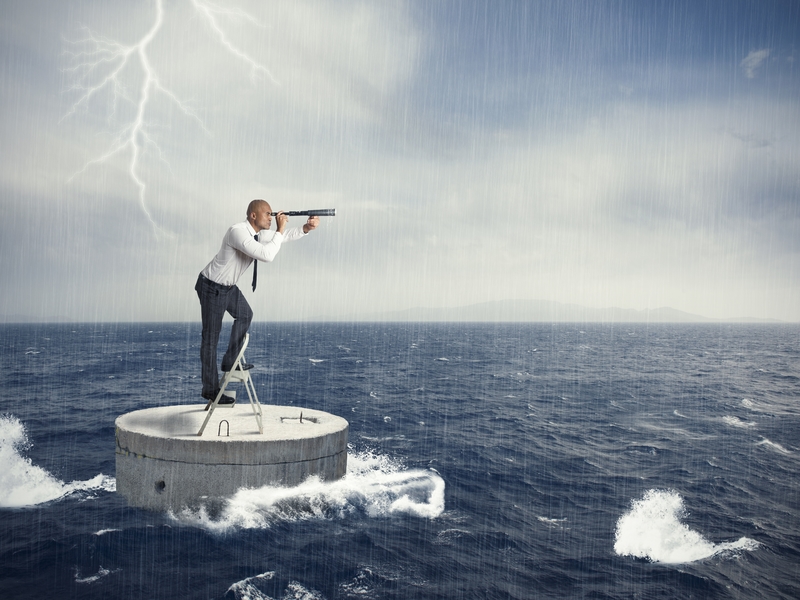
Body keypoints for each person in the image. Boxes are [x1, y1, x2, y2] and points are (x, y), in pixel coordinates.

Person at [195, 199, 319, 404]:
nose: (271, 218)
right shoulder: (238, 232)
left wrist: (306, 228)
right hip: (212, 287)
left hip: (228, 287)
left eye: (272, 214)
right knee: (210, 339)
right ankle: (210, 389)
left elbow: (283, 236)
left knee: (245, 314)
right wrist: (280, 229)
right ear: (253, 215)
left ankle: (229, 361)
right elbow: (267, 254)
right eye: (267, 214)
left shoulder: (257, 234)